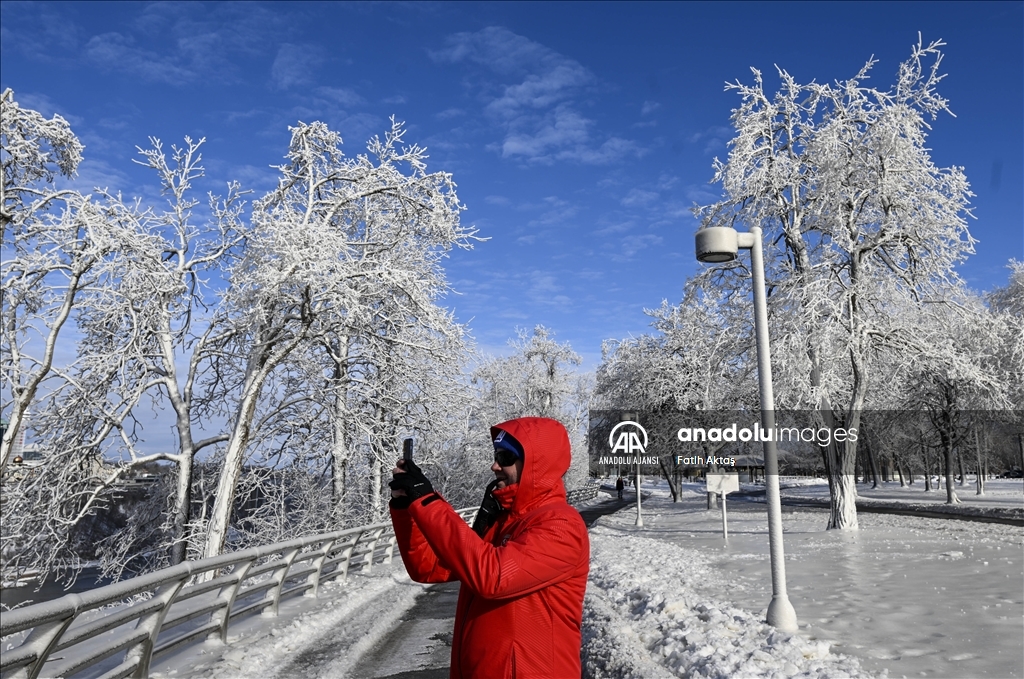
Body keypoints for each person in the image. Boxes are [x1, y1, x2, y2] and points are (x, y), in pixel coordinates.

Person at [389, 417, 590, 679]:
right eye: (496, 455)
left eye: (506, 457)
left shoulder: (561, 525)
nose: (494, 465)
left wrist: (428, 501)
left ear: (535, 464)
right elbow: (429, 567)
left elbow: (493, 576)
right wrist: (407, 508)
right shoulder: (504, 522)